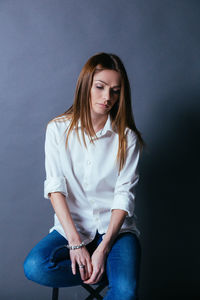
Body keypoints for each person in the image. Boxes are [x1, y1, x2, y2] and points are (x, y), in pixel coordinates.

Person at [23, 52, 145, 300]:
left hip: (116, 233)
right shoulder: (57, 129)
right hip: (73, 229)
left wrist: (104, 247)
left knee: (125, 293)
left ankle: (113, 267)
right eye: (100, 87)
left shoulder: (127, 139)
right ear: (86, 86)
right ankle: (111, 270)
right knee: (35, 267)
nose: (107, 97)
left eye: (115, 91)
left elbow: (124, 196)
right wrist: (76, 243)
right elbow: (55, 187)